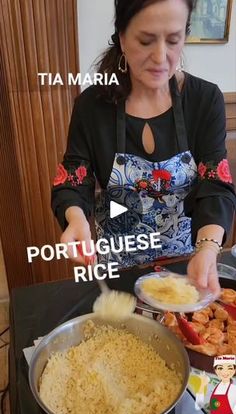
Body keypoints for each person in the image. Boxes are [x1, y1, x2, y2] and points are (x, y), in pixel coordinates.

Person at [51, 0, 236, 295]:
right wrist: (75, 218)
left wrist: (208, 249)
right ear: (122, 37)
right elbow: (75, 178)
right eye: (146, 40)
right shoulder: (92, 105)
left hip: (185, 265)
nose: (161, 56)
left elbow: (215, 184)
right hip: (117, 269)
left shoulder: (205, 100)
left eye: (173, 40)